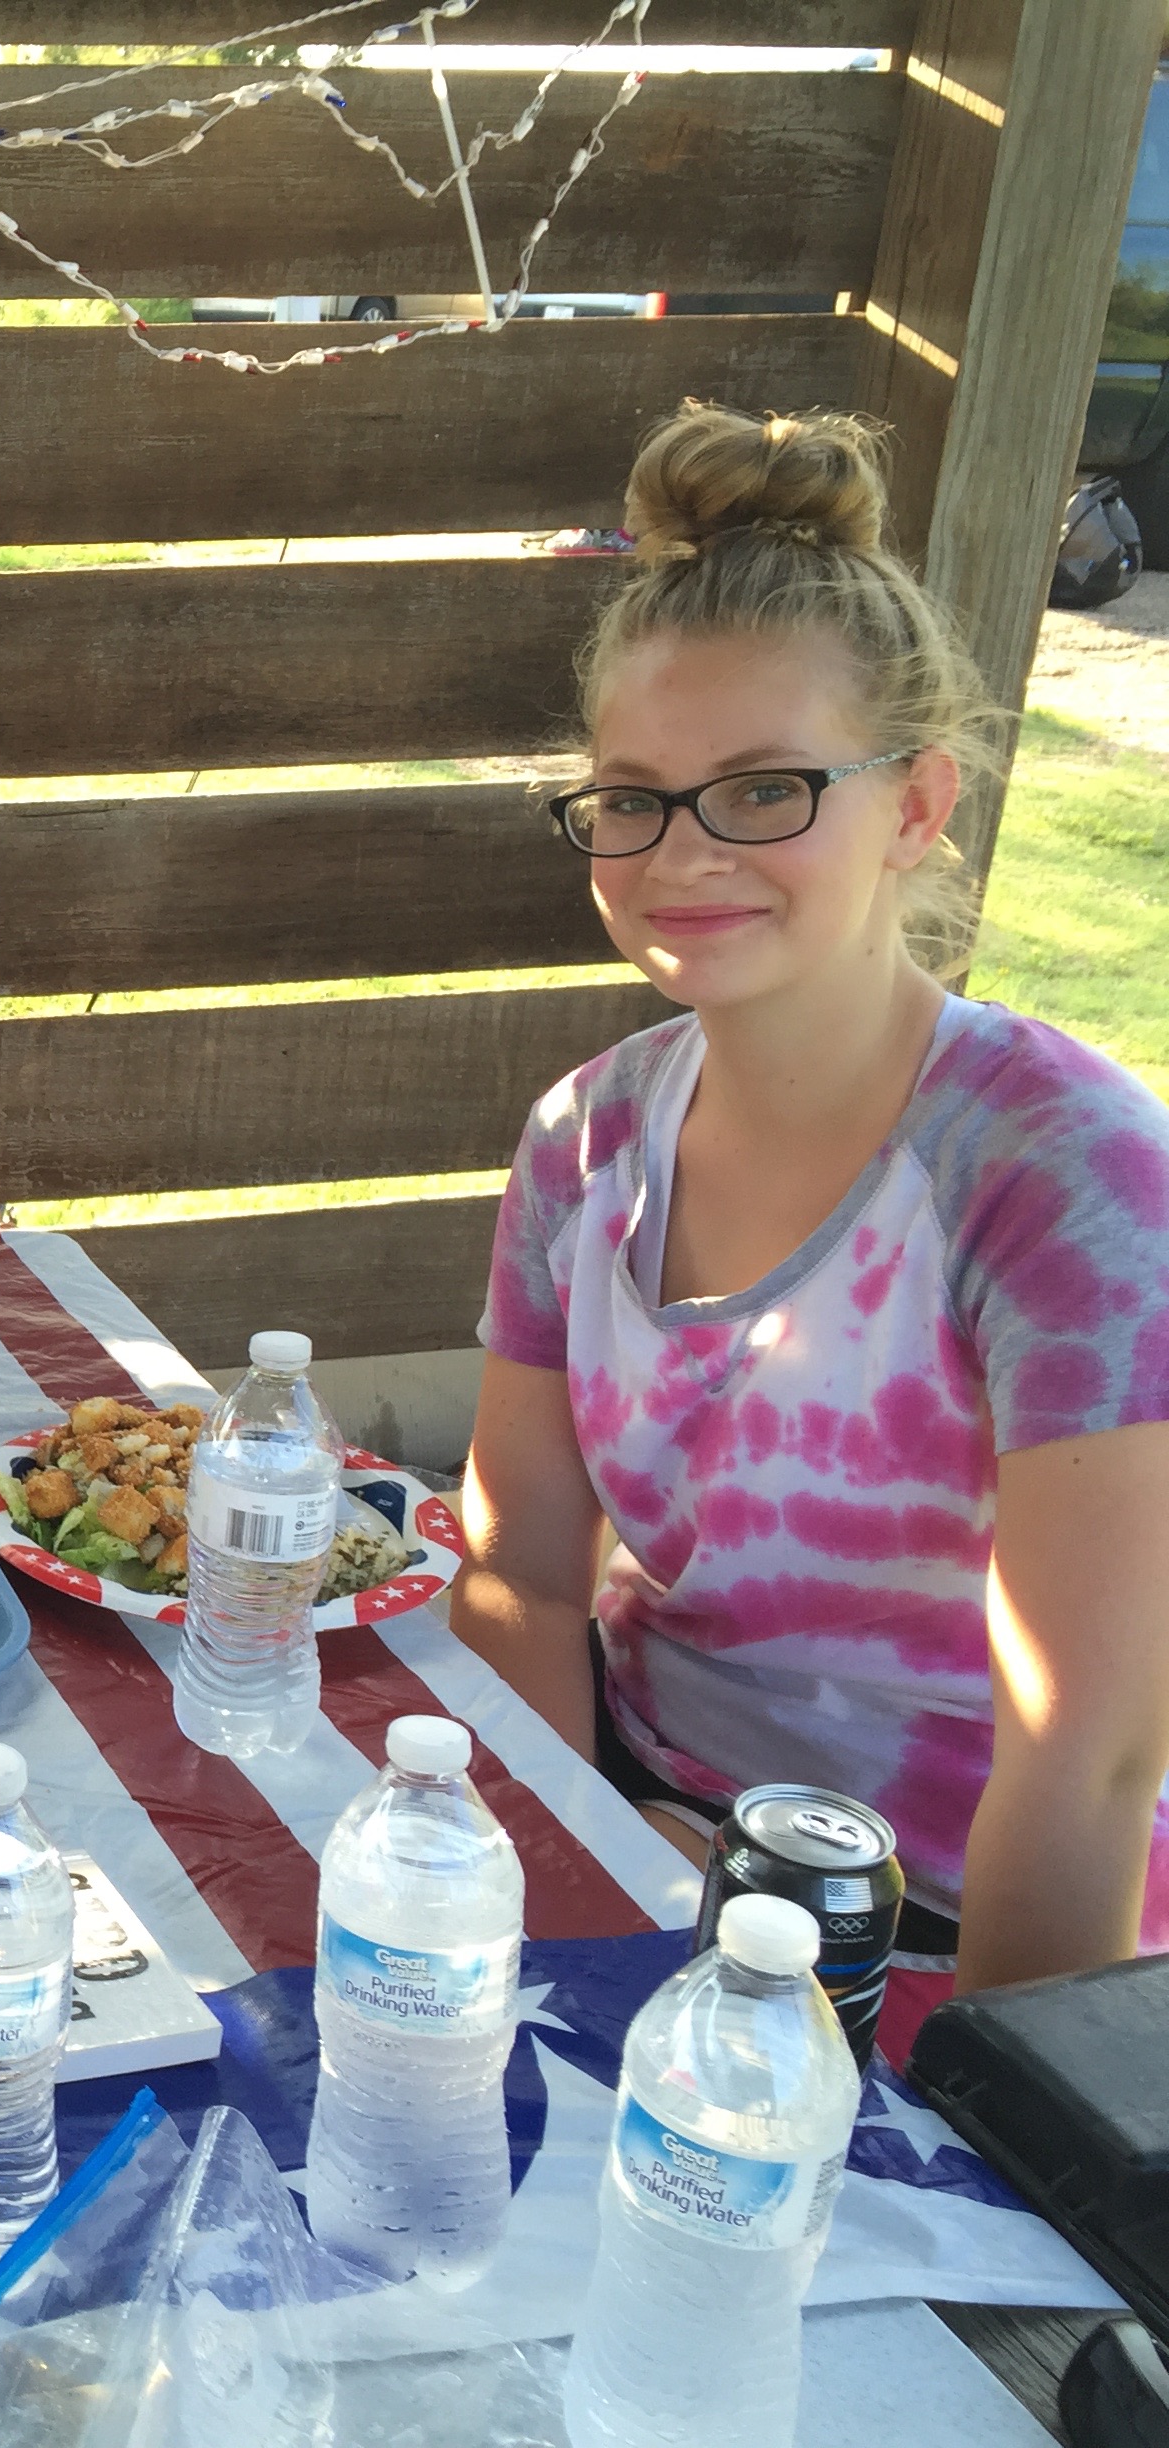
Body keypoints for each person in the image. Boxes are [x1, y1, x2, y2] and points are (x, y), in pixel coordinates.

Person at [453, 404, 1169, 2068]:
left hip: (958, 1934)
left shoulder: (1060, 1173)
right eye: (626, 800)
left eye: (761, 789)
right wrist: (576, 1924)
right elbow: (515, 1575)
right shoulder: (583, 1136)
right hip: (640, 1830)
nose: (677, 854)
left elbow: (1089, 1757)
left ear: (913, 806)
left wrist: (992, 2131)